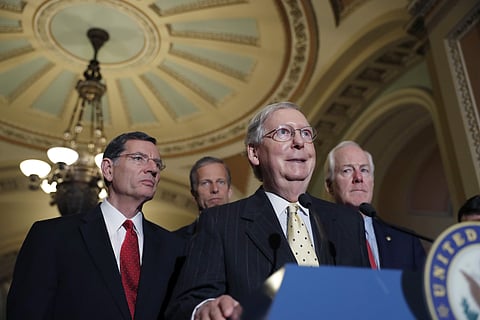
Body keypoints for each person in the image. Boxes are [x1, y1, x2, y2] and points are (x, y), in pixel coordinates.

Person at [166, 102, 370, 320]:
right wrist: (205, 309)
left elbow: (369, 301)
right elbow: (184, 307)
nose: (299, 142)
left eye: (305, 133)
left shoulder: (348, 221)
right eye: (284, 132)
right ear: (254, 153)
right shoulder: (220, 223)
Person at [7, 131, 185, 320]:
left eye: (158, 164)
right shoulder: (51, 236)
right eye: (139, 158)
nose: (152, 169)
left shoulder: (174, 247)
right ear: (108, 169)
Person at [324, 140, 426, 271]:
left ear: (372, 182)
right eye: (347, 170)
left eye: (364, 170)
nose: (358, 177)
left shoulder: (407, 242)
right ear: (329, 186)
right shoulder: (319, 237)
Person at [175, 156, 233, 238]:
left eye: (221, 182)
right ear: (194, 194)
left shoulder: (248, 233)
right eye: (205, 183)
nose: (215, 189)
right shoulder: (176, 239)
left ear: (229, 191)